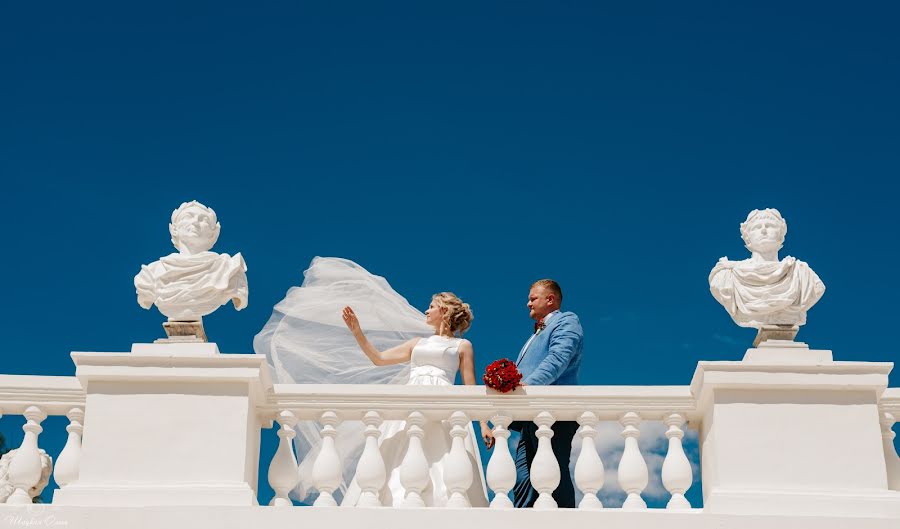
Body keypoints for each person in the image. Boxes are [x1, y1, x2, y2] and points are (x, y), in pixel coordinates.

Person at [253, 257, 489, 507]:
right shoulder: (417, 344)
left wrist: (483, 423)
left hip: (443, 403)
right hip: (411, 399)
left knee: (443, 457)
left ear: (445, 311)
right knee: (400, 451)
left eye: (431, 306)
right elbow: (378, 359)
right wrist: (357, 332)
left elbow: (470, 389)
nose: (426, 310)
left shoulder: (462, 346)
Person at [510, 279, 583, 508]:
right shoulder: (533, 335)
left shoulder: (567, 320)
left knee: (553, 475)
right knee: (523, 481)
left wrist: (528, 386)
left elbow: (558, 359)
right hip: (529, 416)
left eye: (533, 298)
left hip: (554, 412)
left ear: (550, 299)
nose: (528, 303)